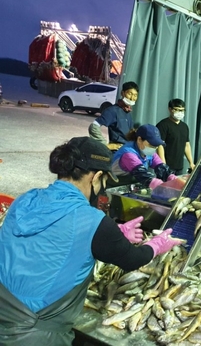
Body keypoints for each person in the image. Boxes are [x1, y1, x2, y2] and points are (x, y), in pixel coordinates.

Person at [0, 137, 182, 345]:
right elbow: (132, 259)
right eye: (104, 182)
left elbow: (48, 241)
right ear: (95, 177)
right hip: (34, 335)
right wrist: (156, 245)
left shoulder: (26, 199)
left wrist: (114, 233)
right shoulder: (91, 220)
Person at [112, 124, 177, 189]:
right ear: (139, 139)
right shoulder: (128, 153)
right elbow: (142, 174)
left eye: (156, 146)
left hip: (130, 185)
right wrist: (162, 187)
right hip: (115, 186)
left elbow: (161, 168)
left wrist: (173, 179)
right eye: (151, 145)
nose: (154, 148)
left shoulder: (147, 151)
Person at [89, 81, 139, 150]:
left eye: (135, 95)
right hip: (118, 153)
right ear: (122, 93)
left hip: (128, 150)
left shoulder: (128, 112)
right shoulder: (113, 111)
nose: (132, 98)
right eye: (130, 94)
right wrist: (105, 145)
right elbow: (94, 126)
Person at [156, 99, 195, 174]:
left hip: (179, 166)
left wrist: (191, 163)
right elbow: (160, 146)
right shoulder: (163, 125)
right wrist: (163, 165)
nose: (180, 113)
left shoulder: (184, 126)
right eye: (177, 110)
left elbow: (186, 145)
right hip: (166, 166)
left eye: (182, 110)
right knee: (164, 185)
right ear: (170, 109)